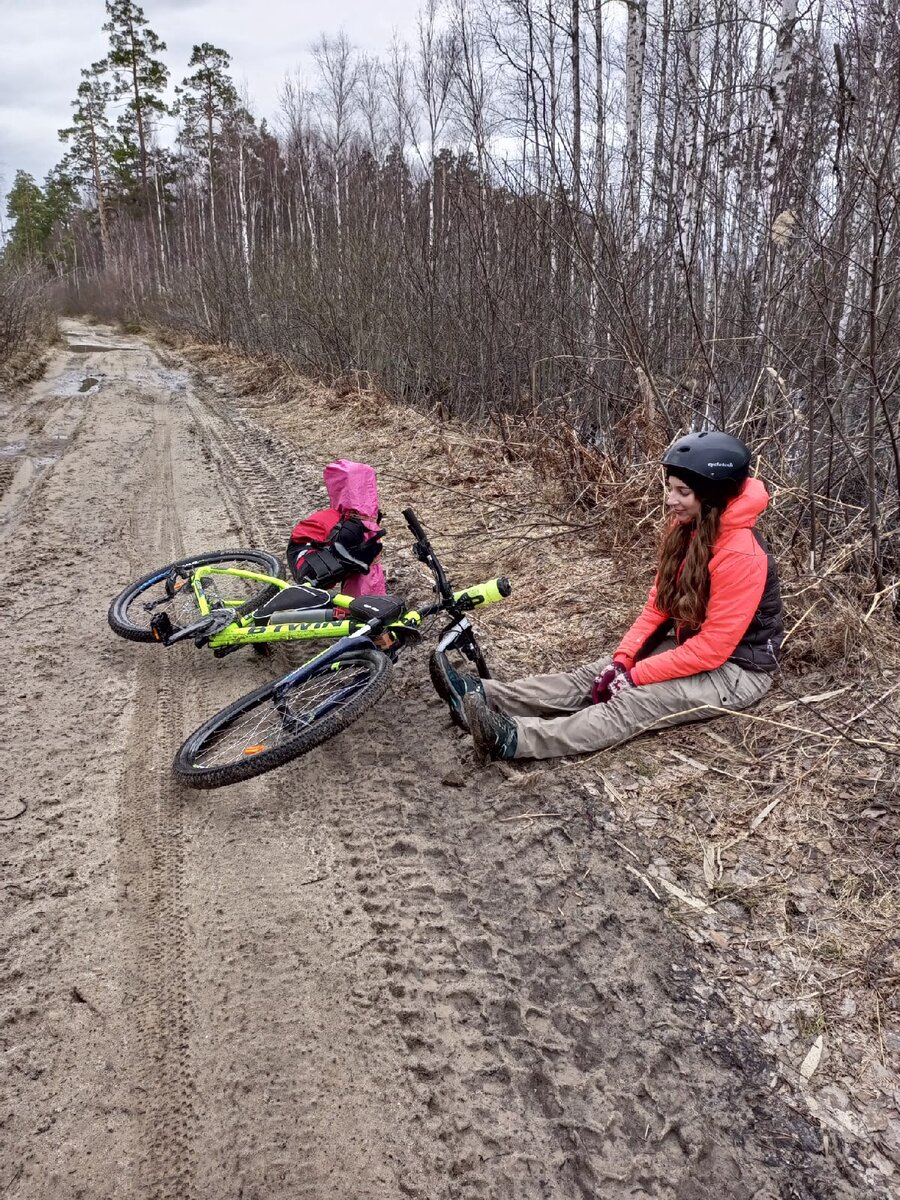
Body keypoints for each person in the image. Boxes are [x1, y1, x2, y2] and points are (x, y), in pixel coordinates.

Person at [431, 431, 784, 765]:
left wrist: (635, 678)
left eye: (682, 492)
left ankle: (514, 739)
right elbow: (658, 607)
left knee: (632, 703)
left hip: (736, 671)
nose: (670, 499)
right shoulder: (687, 528)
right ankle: (482, 693)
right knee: (594, 674)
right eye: (670, 488)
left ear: (712, 497)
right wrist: (622, 662)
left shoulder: (742, 554)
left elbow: (713, 649)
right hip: (688, 643)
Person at [287, 460, 386, 597]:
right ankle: (364, 606)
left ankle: (359, 604)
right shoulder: (353, 523)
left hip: (308, 554)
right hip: (314, 562)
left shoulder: (337, 519)